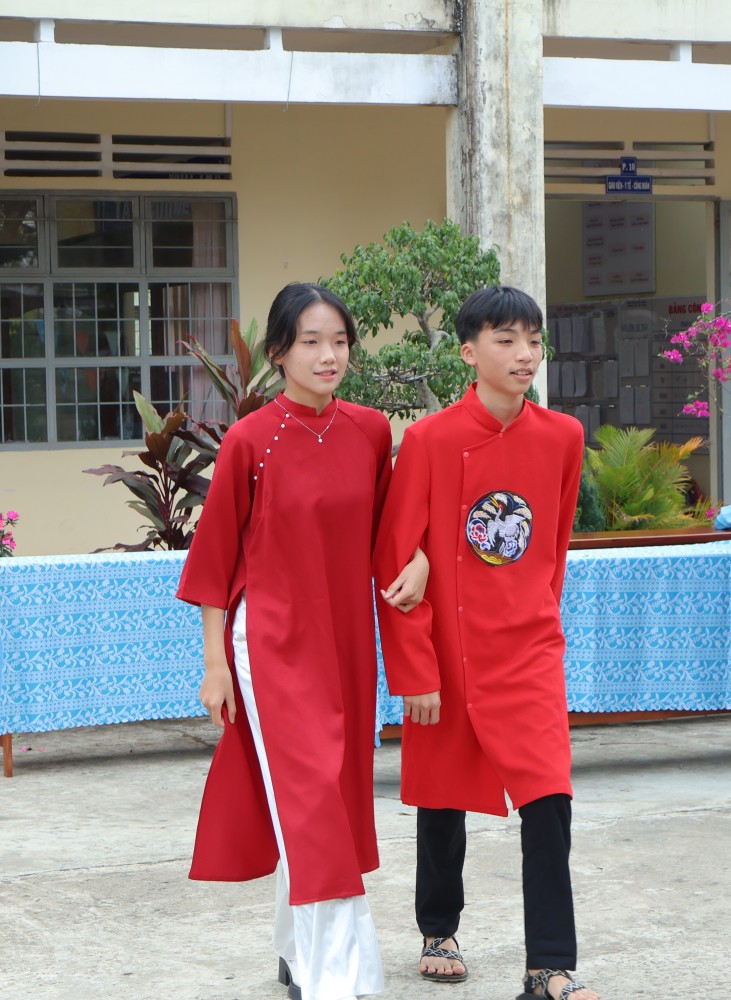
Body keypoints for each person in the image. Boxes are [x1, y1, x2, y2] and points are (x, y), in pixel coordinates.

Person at [176, 282, 429, 1000]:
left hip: (346, 643)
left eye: (340, 342)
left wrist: (420, 559)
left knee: (329, 798)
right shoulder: (249, 441)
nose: (328, 356)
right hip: (272, 644)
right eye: (311, 342)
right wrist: (216, 665)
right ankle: (338, 981)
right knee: (313, 801)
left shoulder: (370, 432)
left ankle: (295, 950)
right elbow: (215, 561)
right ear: (279, 351)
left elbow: (390, 532)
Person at [372, 286, 602, 1000]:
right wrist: (416, 669)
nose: (525, 354)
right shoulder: (431, 441)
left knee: (549, 798)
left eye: (533, 339)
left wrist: (540, 619)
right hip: (448, 647)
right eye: (506, 340)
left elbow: (553, 547)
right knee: (443, 797)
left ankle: (549, 967)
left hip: (528, 647)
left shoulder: (562, 437)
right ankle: (438, 927)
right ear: (469, 352)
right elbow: (395, 559)